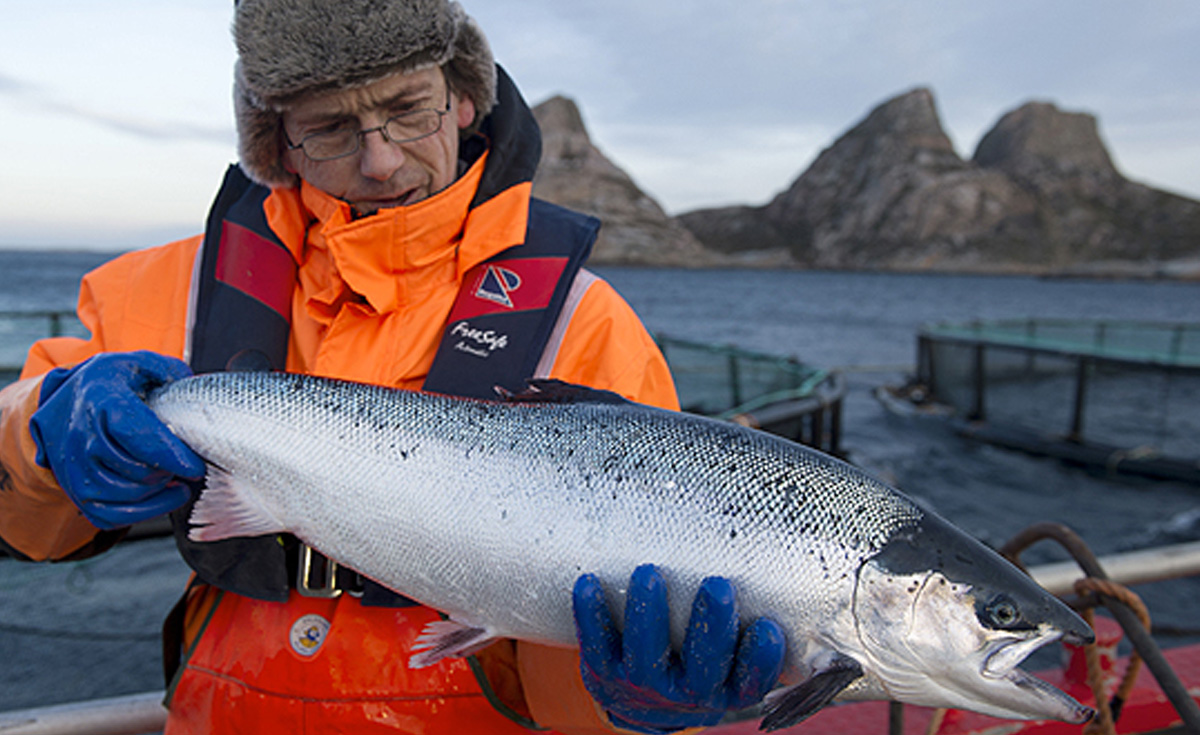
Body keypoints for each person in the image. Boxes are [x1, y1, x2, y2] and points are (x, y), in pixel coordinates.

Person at [0, 1, 785, 732]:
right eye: (332, 128)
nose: (380, 161)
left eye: (409, 110)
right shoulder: (161, 288)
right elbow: (25, 523)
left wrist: (631, 702)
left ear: (465, 97)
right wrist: (42, 433)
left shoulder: (587, 323)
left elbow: (585, 671)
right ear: (276, 139)